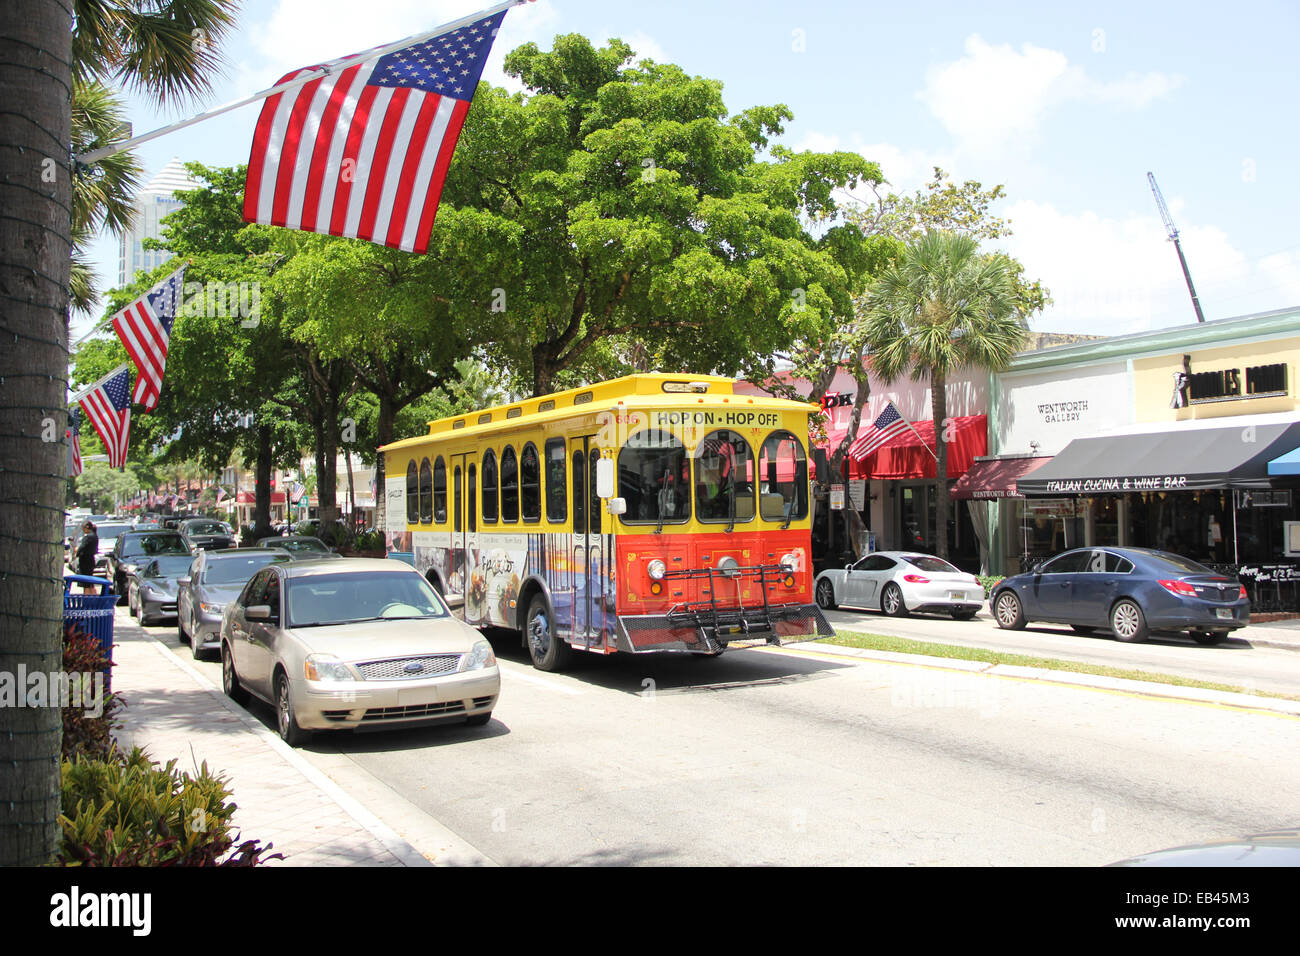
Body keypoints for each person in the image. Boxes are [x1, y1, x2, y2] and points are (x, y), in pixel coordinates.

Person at [75, 520, 99, 593]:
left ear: (87, 527)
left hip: (85, 561)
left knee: (86, 582)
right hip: (91, 560)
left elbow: (82, 547)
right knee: (90, 581)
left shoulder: (88, 537)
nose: (83, 530)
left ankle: (87, 597)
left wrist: (77, 553)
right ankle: (93, 596)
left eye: (83, 529)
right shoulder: (95, 536)